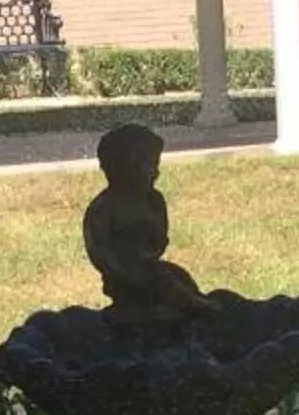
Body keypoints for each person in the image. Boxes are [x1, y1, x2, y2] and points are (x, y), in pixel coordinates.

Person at [81, 123, 211, 318]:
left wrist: (150, 251)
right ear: (125, 167)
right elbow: (99, 249)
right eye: (151, 166)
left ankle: (193, 303)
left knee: (176, 275)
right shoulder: (104, 209)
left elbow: (160, 234)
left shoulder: (153, 200)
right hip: (124, 278)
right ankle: (191, 306)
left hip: (149, 266)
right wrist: (123, 271)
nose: (156, 173)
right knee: (161, 282)